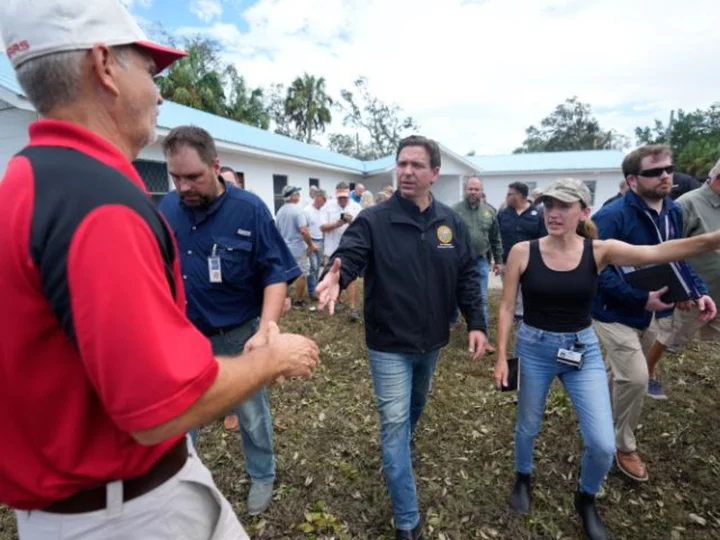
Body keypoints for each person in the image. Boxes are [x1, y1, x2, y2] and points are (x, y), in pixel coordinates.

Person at [0, 1, 319, 539]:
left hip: (72, 503)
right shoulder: (96, 202)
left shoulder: (25, 183)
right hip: (129, 513)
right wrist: (273, 361)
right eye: (149, 70)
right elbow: (156, 411)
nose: (159, 90)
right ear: (104, 66)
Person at [494, 178, 720, 540]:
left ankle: (586, 497)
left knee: (601, 442)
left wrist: (711, 240)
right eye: (549, 205)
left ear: (583, 212)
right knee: (528, 425)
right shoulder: (523, 251)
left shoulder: (600, 251)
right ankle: (523, 475)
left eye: (564, 206)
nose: (553, 212)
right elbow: (506, 307)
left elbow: (659, 252)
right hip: (534, 347)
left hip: (580, 349)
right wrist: (503, 356)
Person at [316, 135, 488, 540]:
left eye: (416, 165)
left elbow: (466, 276)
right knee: (394, 423)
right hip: (389, 343)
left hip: (431, 341)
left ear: (434, 173)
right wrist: (337, 273)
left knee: (414, 408)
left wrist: (477, 323)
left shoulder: (450, 223)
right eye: (402, 164)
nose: (407, 171)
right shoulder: (375, 220)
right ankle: (407, 522)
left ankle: (398, 450)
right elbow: (353, 252)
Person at [159, 125, 302, 516]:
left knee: (252, 414)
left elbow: (275, 273)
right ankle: (178, 483)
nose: (184, 186)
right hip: (185, 336)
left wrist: (264, 331)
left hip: (239, 335)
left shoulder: (249, 209)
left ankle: (262, 474)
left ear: (215, 166)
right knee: (181, 420)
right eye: (176, 177)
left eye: (193, 176)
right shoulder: (167, 209)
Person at [591, 144, 715, 483]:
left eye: (668, 169)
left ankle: (595, 407)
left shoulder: (673, 212)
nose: (665, 175)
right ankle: (621, 444)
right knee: (636, 377)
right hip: (611, 311)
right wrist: (636, 297)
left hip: (651, 311)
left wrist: (697, 292)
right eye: (654, 171)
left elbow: (677, 258)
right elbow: (594, 269)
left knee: (619, 374)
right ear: (632, 180)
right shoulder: (611, 216)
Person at [644, 157, 720, 398]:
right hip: (696, 292)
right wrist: (681, 289)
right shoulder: (687, 204)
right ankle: (647, 371)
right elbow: (668, 250)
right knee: (667, 337)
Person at [451, 176, 503, 349]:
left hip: (480, 261)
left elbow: (496, 239)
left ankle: (482, 336)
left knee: (480, 297)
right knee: (452, 295)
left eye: (476, 189)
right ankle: (451, 322)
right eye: (470, 189)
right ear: (465, 190)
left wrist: (499, 260)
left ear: (481, 191)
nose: (473, 192)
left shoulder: (489, 212)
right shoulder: (453, 211)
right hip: (457, 262)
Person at [497, 182, 546, 322]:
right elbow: (496, 237)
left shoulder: (537, 214)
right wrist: (497, 260)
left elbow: (543, 237)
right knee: (510, 289)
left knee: (529, 288)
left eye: (509, 194)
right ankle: (513, 315)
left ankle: (527, 314)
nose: (506, 197)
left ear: (519, 195)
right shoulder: (503, 214)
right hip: (507, 260)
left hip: (530, 260)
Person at [320, 182, 363, 321]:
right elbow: (322, 227)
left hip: (351, 250)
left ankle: (353, 308)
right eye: (339, 197)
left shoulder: (356, 207)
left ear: (348, 194)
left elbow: (363, 229)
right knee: (332, 276)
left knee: (352, 278)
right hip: (332, 249)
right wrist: (338, 223)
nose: (342, 200)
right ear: (336, 195)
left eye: (344, 197)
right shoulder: (328, 207)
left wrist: (351, 222)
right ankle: (335, 301)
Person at [276, 185, 317, 307]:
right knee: (302, 274)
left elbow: (277, 231)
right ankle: (298, 300)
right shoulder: (298, 210)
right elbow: (303, 230)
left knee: (286, 274)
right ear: (293, 196)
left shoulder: (280, 211)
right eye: (297, 193)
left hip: (284, 248)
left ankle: (284, 298)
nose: (299, 196)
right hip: (298, 248)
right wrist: (310, 245)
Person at [304, 188, 328, 301]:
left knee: (318, 266)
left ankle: (316, 288)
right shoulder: (307, 210)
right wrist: (309, 244)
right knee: (312, 267)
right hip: (311, 241)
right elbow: (304, 229)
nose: (325, 202)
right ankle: (312, 291)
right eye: (324, 200)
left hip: (320, 240)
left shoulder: (322, 211)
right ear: (318, 198)